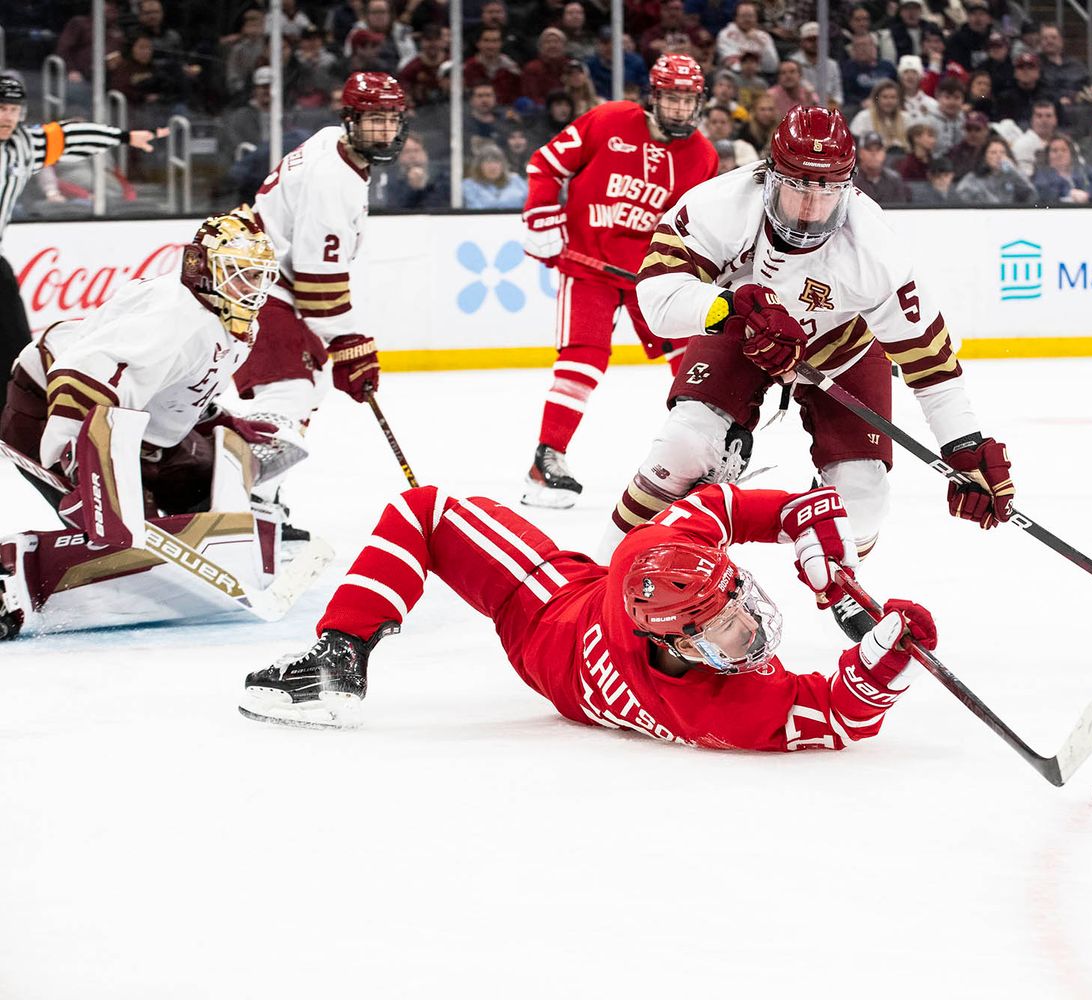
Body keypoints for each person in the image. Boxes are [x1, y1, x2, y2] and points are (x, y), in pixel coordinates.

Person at [603, 107, 1018, 640]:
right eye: (796, 188)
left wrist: (965, 447)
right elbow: (656, 296)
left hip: (839, 351)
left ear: (848, 187)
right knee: (684, 447)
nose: (809, 206)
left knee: (864, 495)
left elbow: (931, 362)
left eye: (826, 191)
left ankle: (840, 576)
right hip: (743, 334)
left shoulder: (877, 251)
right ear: (767, 175)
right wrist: (730, 308)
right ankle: (602, 569)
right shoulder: (719, 206)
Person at [238, 477, 940, 755]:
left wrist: (792, 513)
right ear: (685, 648)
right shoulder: (721, 708)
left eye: (740, 599)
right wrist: (881, 665)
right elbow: (840, 717)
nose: (751, 628)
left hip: (559, 610)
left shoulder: (650, 557)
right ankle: (338, 665)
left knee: (423, 511)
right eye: (729, 628)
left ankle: (340, 654)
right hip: (545, 606)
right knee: (427, 510)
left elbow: (717, 509)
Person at [0, 210, 285, 640]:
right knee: (123, 537)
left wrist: (215, 419)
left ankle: (204, 532)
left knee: (196, 477)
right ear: (202, 267)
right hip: (50, 411)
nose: (251, 288)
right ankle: (11, 576)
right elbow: (87, 369)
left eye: (257, 276)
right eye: (239, 274)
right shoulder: (177, 315)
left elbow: (170, 380)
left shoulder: (226, 317)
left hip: (124, 422)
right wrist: (75, 453)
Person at [519, 55, 718, 509]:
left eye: (688, 100)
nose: (680, 109)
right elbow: (545, 164)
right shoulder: (608, 120)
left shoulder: (703, 155)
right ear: (654, 96)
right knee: (583, 361)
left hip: (653, 274)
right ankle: (546, 460)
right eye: (672, 98)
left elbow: (702, 226)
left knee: (693, 358)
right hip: (590, 266)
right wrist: (542, 216)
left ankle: (697, 460)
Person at [233, 72, 408, 539]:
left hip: (267, 284)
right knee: (287, 393)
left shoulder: (334, 144)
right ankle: (240, 504)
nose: (385, 130)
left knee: (306, 387)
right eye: (374, 120)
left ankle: (259, 502)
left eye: (392, 119)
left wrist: (346, 341)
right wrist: (352, 342)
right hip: (262, 290)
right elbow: (317, 285)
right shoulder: (332, 180)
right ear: (350, 119)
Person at [0, 76, 167, 417]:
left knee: (13, 336)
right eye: (1, 108)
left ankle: (13, 410)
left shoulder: (23, 145)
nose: (8, 116)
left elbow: (70, 136)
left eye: (14, 109)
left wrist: (124, 137)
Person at [953, 134, 1035, 204]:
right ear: (984, 156)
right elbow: (961, 198)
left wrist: (1013, 172)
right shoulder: (972, 179)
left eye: (1002, 152)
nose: (999, 156)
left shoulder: (1015, 175)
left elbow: (1031, 196)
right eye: (993, 153)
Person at [1032, 135, 1092, 204]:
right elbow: (1046, 193)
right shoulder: (1042, 174)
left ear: (1071, 154)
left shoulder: (1084, 170)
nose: (1060, 154)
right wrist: (1069, 192)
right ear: (1047, 155)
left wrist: (1088, 194)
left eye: (1064, 150)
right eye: (1054, 151)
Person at [849, 80, 912, 154]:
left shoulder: (906, 118)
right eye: (885, 97)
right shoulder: (863, 117)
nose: (889, 101)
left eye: (893, 97)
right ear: (877, 99)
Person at [851, 132, 913, 205]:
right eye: (869, 150)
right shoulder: (851, 179)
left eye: (878, 150)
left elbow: (902, 208)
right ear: (860, 153)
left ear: (884, 153)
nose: (874, 154)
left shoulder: (894, 179)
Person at [462, 143, 527, 208]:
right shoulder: (468, 186)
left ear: (503, 165)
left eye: (497, 162)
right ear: (479, 166)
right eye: (487, 162)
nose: (493, 167)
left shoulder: (516, 181)